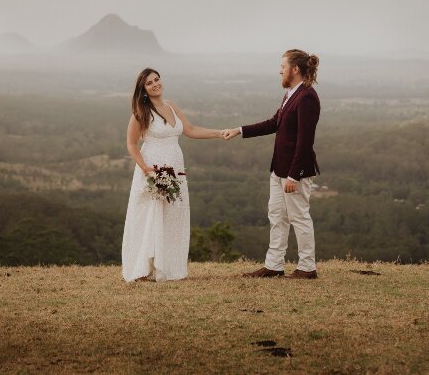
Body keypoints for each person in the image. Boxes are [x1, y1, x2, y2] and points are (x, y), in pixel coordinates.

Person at [223, 49, 321, 279]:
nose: (280, 70)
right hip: (278, 169)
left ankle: (307, 268)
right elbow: (274, 123)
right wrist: (239, 130)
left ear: (294, 69)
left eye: (283, 66)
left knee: (299, 217)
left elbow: (305, 142)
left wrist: (294, 176)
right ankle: (274, 265)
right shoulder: (291, 93)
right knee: (276, 216)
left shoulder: (307, 97)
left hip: (295, 172)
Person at [122, 68, 224, 282]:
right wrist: (147, 170)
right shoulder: (141, 112)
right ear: (143, 89)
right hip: (153, 170)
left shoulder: (172, 106)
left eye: (157, 79)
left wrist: (219, 133)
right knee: (150, 216)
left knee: (172, 215)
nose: (155, 84)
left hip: (176, 171)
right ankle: (143, 269)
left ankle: (167, 268)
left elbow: (191, 130)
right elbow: (131, 144)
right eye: (149, 83)